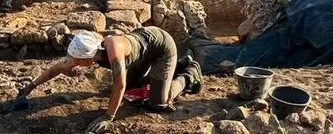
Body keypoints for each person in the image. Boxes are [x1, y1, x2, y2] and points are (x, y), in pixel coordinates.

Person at [15, 28, 202, 133]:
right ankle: (166, 74)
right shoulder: (89, 51)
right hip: (140, 53)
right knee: (133, 89)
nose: (76, 65)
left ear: (91, 57)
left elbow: (119, 84)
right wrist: (30, 87)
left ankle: (188, 73)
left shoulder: (114, 53)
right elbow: (57, 69)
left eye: (79, 62)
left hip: (162, 48)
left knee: (158, 103)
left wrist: (108, 117)